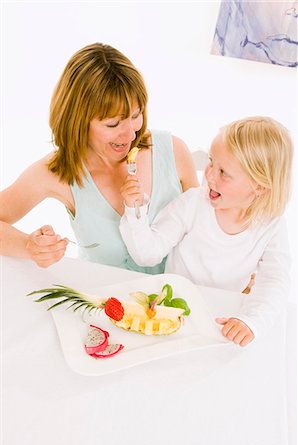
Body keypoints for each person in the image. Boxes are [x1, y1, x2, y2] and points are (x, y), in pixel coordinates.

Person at [0, 43, 198, 272]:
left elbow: (203, 227)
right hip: (99, 303)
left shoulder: (173, 151)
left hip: (174, 305)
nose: (130, 133)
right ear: (78, 121)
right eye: (112, 123)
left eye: (136, 115)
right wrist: (29, 247)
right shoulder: (58, 172)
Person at [119, 116, 293, 346]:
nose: (209, 175)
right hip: (170, 312)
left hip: (222, 321)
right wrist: (135, 211)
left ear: (259, 185)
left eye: (224, 173)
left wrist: (252, 321)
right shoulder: (192, 204)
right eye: (211, 162)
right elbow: (147, 254)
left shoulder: (272, 226)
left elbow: (275, 282)